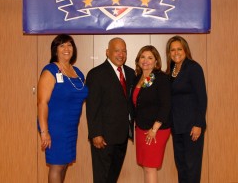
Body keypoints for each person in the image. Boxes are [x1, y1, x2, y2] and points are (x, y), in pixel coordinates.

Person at [37, 34, 88, 183]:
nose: (66, 48)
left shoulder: (78, 73)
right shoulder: (50, 71)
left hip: (71, 127)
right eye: (62, 45)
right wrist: (44, 131)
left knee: (64, 165)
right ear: (55, 50)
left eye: (69, 45)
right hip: (54, 126)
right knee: (56, 166)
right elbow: (42, 103)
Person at [86, 37, 135, 183]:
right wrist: (96, 133)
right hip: (103, 138)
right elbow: (92, 106)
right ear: (107, 52)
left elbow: (144, 88)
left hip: (122, 136)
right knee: (102, 177)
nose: (121, 54)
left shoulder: (131, 73)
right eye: (117, 50)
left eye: (124, 51)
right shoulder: (96, 74)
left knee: (113, 176)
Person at [165, 35, 207, 183]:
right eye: (172, 50)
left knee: (192, 167)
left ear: (185, 50)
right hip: (177, 127)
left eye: (179, 49)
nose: (176, 52)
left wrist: (198, 124)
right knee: (181, 166)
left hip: (192, 127)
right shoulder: (170, 70)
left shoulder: (193, 68)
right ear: (169, 53)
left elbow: (202, 98)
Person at [132, 45, 171, 183]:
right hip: (141, 128)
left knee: (150, 166)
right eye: (143, 57)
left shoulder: (160, 78)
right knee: (146, 166)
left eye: (150, 57)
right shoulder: (137, 78)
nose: (145, 60)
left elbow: (166, 105)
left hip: (156, 130)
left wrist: (154, 129)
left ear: (156, 62)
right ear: (138, 60)